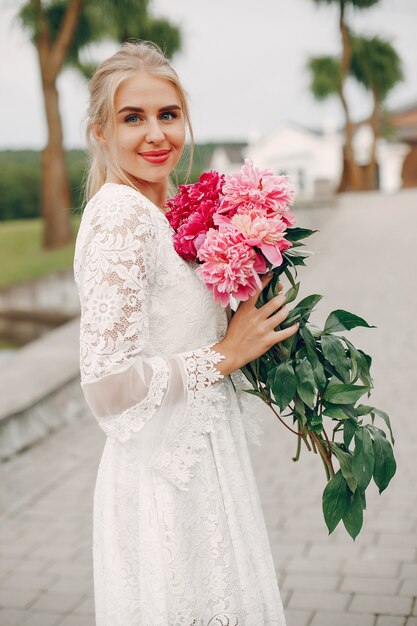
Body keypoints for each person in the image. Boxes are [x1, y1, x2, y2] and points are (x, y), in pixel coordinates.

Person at [73, 40, 298, 626]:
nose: (156, 134)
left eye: (167, 115)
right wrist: (223, 355)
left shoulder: (169, 210)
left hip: (204, 457)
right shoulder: (120, 216)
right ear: (100, 132)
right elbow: (107, 387)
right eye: (133, 118)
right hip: (163, 481)